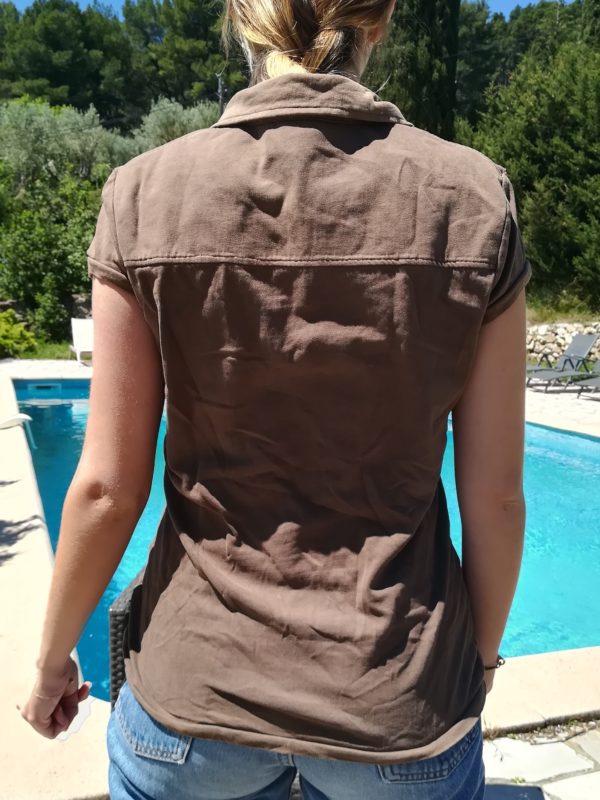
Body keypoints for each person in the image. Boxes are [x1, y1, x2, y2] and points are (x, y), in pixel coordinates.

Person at [20, 1, 531, 798]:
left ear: (242, 19)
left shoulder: (145, 193)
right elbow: (495, 499)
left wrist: (53, 662)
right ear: (379, 22)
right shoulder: (473, 200)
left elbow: (106, 491)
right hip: (397, 704)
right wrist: (483, 660)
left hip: (194, 705)